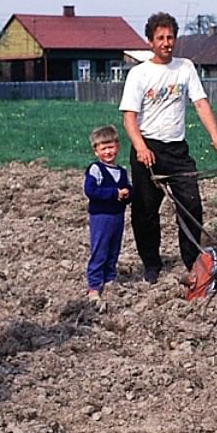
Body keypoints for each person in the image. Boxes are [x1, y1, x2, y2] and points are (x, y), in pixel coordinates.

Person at [119, 12, 217, 283]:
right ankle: (151, 264)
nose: (166, 43)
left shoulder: (185, 67)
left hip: (177, 150)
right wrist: (141, 148)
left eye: (170, 37)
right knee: (145, 211)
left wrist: (216, 135)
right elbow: (129, 118)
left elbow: (200, 103)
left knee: (191, 204)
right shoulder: (139, 73)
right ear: (150, 41)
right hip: (148, 148)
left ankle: (193, 262)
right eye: (160, 38)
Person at [84, 125, 132, 302]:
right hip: (101, 216)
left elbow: (128, 190)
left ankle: (110, 278)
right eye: (103, 148)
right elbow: (91, 190)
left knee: (114, 249)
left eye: (111, 147)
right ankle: (94, 286)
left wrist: (128, 194)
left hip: (117, 216)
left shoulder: (121, 171)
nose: (108, 151)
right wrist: (114, 194)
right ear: (96, 151)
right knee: (99, 250)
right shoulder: (96, 169)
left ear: (117, 147)